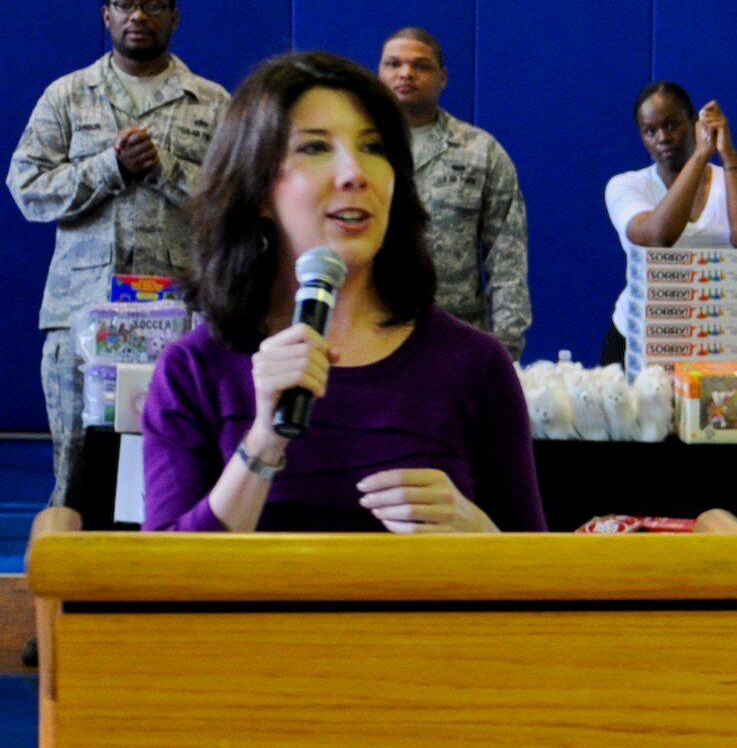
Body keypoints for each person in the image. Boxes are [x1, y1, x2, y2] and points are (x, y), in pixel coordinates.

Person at [142, 51, 544, 534]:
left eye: (374, 147)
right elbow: (163, 589)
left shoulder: (474, 364)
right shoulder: (195, 370)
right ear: (259, 188)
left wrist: (484, 539)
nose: (355, 172)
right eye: (315, 148)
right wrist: (264, 441)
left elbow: (534, 583)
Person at [7, 0, 228, 504]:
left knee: (171, 470)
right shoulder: (68, 95)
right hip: (80, 319)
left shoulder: (212, 102)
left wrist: (162, 168)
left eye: (152, 6)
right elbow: (28, 188)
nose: (138, 16)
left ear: (174, 18)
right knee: (78, 473)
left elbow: (235, 201)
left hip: (177, 321)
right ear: (106, 16)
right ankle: (69, 587)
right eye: (126, 5)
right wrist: (110, 166)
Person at [378, 27, 533, 359]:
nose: (405, 73)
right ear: (379, 73)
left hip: (454, 340)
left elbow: (508, 258)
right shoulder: (356, 149)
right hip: (370, 334)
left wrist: (506, 347)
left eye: (421, 66)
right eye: (393, 64)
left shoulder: (480, 152)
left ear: (442, 78)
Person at [604, 81, 737, 369]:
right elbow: (658, 236)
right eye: (650, 131)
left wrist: (726, 153)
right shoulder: (625, 186)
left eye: (672, 125)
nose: (663, 137)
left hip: (720, 342)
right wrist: (700, 157)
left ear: (695, 124)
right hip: (641, 341)